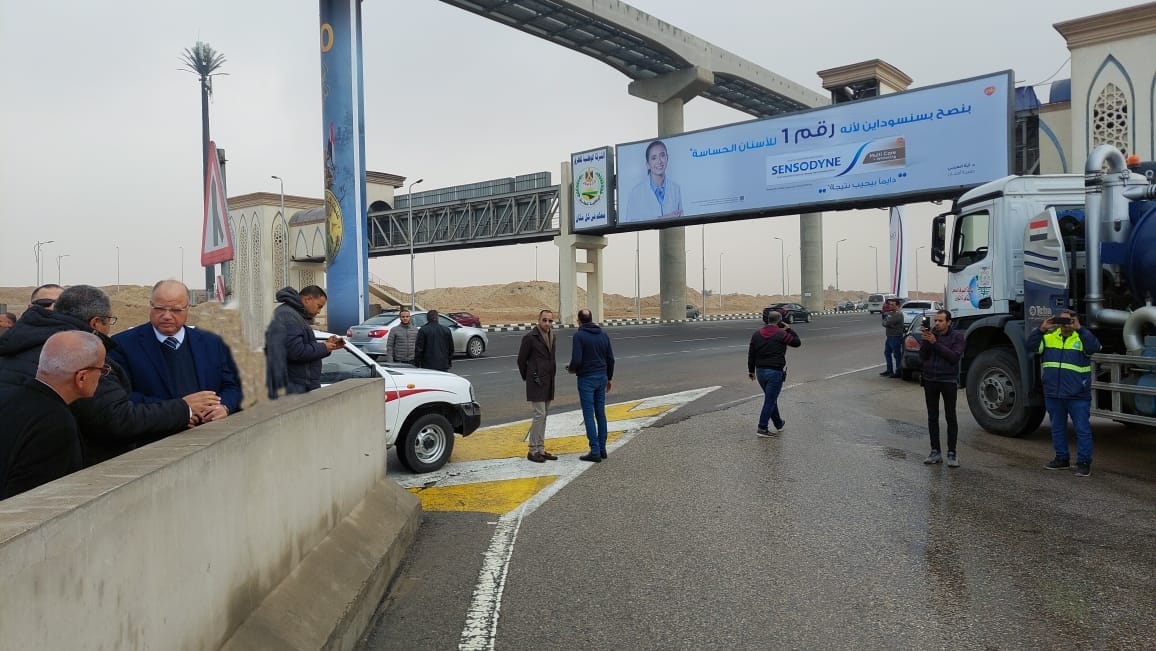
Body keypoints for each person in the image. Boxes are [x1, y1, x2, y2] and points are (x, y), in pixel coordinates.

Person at [0, 285, 211, 465]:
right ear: (95, 323)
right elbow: (116, 418)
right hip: (60, 467)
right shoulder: (80, 352)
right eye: (109, 320)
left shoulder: (22, 340)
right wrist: (184, 409)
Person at [110, 280, 242, 420]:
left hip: (209, 429)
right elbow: (122, 397)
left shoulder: (212, 343)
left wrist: (224, 406)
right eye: (160, 309)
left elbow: (233, 386)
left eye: (176, 310)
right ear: (151, 305)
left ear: (187, 308)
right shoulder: (123, 345)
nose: (167, 316)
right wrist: (180, 412)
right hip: (159, 431)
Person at [0, 331, 104, 499]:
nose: (102, 376)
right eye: (102, 369)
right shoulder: (57, 425)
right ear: (82, 377)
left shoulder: (7, 395)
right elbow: (37, 501)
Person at [1027, 309, 1102, 477]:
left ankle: (1083, 463)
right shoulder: (1048, 338)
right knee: (1057, 428)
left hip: (1078, 394)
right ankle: (1061, 459)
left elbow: (1095, 347)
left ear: (1076, 322)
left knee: (1082, 430)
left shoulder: (1081, 338)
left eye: (1069, 321)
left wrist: (1080, 329)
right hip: (1054, 393)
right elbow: (1030, 347)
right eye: (1062, 321)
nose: (1066, 324)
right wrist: (1042, 329)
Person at [265, 285, 344, 398]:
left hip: (298, 386)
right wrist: (324, 347)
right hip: (294, 388)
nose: (319, 311)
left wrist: (327, 345)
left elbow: (300, 346)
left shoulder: (294, 315)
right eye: (319, 306)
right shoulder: (288, 315)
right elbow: (296, 352)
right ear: (308, 299)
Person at [918, 310, 966, 467]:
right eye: (935, 321)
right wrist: (926, 341)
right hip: (930, 380)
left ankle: (952, 453)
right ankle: (935, 451)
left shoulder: (957, 337)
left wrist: (935, 343)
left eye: (940, 321)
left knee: (950, 417)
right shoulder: (931, 334)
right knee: (932, 417)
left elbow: (954, 357)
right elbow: (923, 357)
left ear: (949, 322)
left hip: (948, 380)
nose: (937, 323)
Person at [567, 308, 614, 462]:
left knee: (588, 414)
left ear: (579, 321)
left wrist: (571, 369)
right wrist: (609, 378)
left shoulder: (579, 336)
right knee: (600, 413)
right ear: (592, 319)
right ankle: (602, 449)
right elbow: (611, 359)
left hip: (586, 379)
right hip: (602, 377)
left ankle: (594, 450)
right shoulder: (603, 335)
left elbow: (576, 360)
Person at [747, 308, 801, 437]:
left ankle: (778, 423)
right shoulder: (782, 334)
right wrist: (789, 329)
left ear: (767, 320)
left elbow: (751, 354)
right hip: (775, 372)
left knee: (771, 399)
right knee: (770, 401)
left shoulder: (756, 334)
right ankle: (762, 428)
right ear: (780, 321)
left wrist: (751, 371)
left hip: (760, 372)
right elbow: (797, 342)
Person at [517, 309, 559, 463]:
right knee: (539, 415)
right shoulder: (530, 337)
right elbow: (521, 360)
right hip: (536, 381)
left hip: (549, 381)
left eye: (550, 320)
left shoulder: (552, 336)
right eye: (544, 320)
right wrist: (529, 377)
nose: (547, 323)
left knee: (544, 415)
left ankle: (540, 449)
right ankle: (532, 450)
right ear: (539, 320)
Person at [623, 140, 683, 222]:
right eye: (654, 158)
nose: (659, 161)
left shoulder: (676, 189)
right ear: (648, 164)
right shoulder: (636, 192)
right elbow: (630, 222)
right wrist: (663, 218)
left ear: (667, 158)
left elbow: (682, 217)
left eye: (662, 156)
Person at [880, 298, 904, 378]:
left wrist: (888, 323)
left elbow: (887, 322)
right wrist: (888, 323)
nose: (890, 306)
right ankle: (889, 370)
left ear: (898, 306)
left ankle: (898, 371)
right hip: (889, 336)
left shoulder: (898, 314)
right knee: (887, 353)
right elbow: (884, 322)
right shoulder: (890, 313)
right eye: (890, 304)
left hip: (896, 337)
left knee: (897, 355)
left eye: (892, 305)